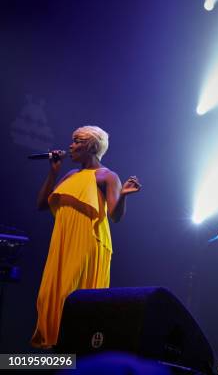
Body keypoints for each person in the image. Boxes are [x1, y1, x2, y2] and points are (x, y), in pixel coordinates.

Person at [31, 125, 141, 348]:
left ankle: (72, 355)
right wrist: (53, 171)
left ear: (91, 146)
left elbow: (115, 216)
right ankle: (57, 354)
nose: (70, 146)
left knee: (70, 298)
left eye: (76, 141)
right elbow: (42, 204)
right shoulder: (71, 175)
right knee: (46, 297)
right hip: (63, 242)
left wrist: (124, 196)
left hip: (88, 242)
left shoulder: (107, 176)